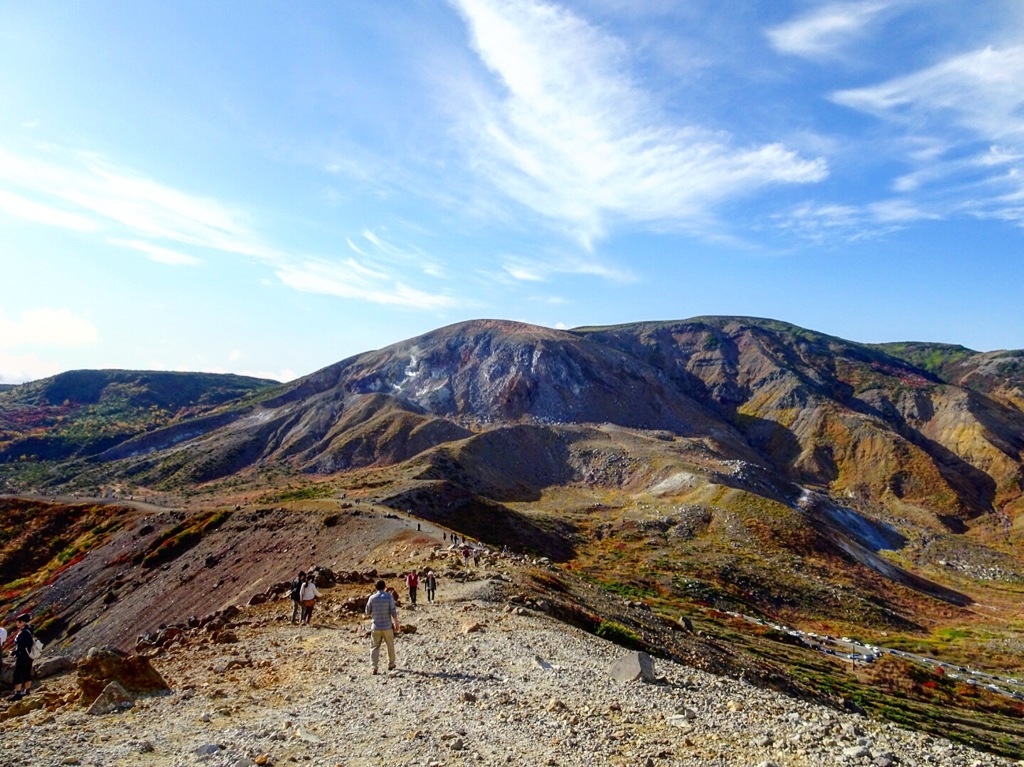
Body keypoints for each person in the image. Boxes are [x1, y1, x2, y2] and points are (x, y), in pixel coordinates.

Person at [365, 580, 400, 675]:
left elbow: (367, 611)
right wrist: (396, 623)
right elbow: (393, 611)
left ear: (375, 587)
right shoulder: (389, 597)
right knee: (390, 645)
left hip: (375, 626)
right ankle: (391, 664)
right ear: (385, 587)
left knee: (374, 647)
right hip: (387, 626)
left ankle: (374, 667)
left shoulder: (372, 598)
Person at [9, 613, 35, 701]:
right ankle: (27, 690)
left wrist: (14, 652)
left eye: (18, 622)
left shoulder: (24, 632)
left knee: (17, 674)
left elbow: (22, 646)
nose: (17, 624)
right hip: (29, 655)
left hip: (22, 656)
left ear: (23, 622)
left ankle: (18, 693)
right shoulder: (29, 630)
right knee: (26, 672)